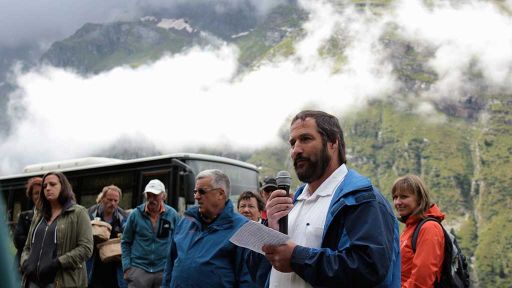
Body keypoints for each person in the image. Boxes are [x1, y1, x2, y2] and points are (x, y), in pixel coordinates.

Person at [250, 110, 401, 287]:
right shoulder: (293, 203)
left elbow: (368, 268)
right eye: (293, 143)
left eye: (305, 139)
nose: (295, 150)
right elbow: (260, 275)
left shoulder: (362, 199)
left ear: (333, 142)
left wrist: (296, 257)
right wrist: (269, 232)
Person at [161, 169, 256, 287]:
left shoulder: (243, 228)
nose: (196, 196)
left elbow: (248, 280)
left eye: (201, 191)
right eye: (195, 191)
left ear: (220, 194)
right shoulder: (185, 221)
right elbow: (170, 265)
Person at [20, 171, 94, 287]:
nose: (47, 188)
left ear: (63, 187)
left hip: (59, 281)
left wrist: (58, 263)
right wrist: (25, 262)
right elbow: (27, 246)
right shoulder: (39, 214)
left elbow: (86, 248)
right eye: (45, 186)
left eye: (52, 184)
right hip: (32, 282)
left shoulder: (78, 213)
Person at [121, 179, 179, 288]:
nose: (151, 199)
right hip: (138, 269)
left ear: (163, 196)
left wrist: (175, 267)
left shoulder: (172, 215)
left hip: (164, 269)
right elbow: (125, 242)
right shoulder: (135, 214)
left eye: (155, 195)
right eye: (149, 195)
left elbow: (179, 242)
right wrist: (127, 267)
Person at [391, 174, 445, 287]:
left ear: (420, 198)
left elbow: (421, 281)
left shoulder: (429, 228)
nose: (397, 202)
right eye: (395, 197)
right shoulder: (410, 228)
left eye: (404, 197)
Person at [87, 185, 129, 288]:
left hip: (115, 270)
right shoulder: (89, 214)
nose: (113, 203)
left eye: (116, 200)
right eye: (109, 200)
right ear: (102, 198)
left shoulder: (124, 218)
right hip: (93, 266)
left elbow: (129, 242)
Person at [13, 177, 42, 269]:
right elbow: (17, 241)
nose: (40, 196)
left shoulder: (54, 216)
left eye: (42, 193)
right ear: (31, 196)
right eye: (36, 193)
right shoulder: (24, 216)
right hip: (23, 267)